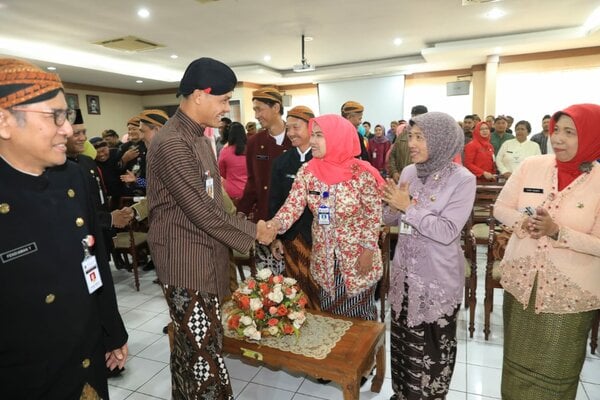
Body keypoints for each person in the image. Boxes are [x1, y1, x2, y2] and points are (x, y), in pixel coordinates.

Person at [146, 57, 275, 400]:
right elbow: (201, 211)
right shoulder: (172, 142)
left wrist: (245, 225)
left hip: (205, 254)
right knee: (204, 354)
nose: (225, 108)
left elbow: (215, 203)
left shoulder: (200, 140)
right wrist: (253, 233)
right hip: (186, 262)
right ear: (200, 95)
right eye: (222, 100)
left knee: (193, 349)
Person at [0, 58, 128, 399]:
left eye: (66, 116)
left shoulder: (73, 176)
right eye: (54, 116)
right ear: (5, 121)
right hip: (25, 376)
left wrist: (112, 332)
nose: (68, 130)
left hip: (85, 356)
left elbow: (96, 260)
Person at [493, 103, 600, 400]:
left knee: (556, 374)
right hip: (523, 285)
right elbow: (501, 207)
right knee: (515, 368)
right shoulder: (532, 166)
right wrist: (522, 221)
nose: (558, 139)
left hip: (570, 295)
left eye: (570, 132)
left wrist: (558, 232)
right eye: (556, 130)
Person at [382, 111, 476, 400]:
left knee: (432, 350)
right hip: (404, 274)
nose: (412, 143)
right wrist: (390, 205)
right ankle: (402, 394)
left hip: (435, 279)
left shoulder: (463, 179)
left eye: (420, 137)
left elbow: (447, 230)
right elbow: (392, 218)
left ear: (441, 141)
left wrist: (407, 206)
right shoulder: (410, 172)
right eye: (411, 136)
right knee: (403, 346)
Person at [269, 114, 385, 321]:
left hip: (357, 258)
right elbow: (292, 206)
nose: (312, 140)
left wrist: (368, 249)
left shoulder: (362, 173)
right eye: (312, 135)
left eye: (319, 135)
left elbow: (373, 215)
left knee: (358, 323)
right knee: (331, 319)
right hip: (324, 259)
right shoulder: (308, 171)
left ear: (337, 137)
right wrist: (273, 225)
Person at [268, 105, 320, 310]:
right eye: (288, 128)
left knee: (316, 289)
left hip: (316, 238)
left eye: (295, 128)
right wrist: (275, 237)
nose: (290, 133)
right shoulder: (281, 161)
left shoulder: (321, 160)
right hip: (289, 237)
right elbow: (275, 200)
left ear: (311, 127)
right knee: (294, 288)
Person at [237, 86, 292, 222]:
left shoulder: (294, 140)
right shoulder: (254, 142)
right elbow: (252, 181)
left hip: (291, 220)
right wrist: (242, 210)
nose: (256, 116)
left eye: (259, 109)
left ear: (276, 108)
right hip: (264, 217)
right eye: (255, 110)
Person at [218, 121, 248, 204]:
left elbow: (221, 172)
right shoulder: (251, 149)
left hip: (232, 192)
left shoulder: (225, 151)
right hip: (249, 191)